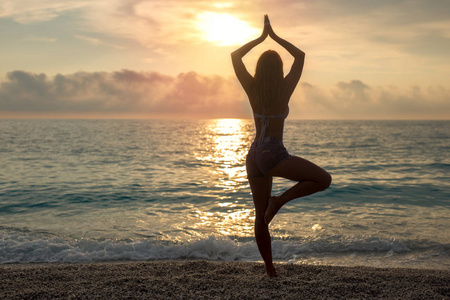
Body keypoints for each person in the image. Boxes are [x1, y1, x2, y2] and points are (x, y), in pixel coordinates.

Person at [231, 15, 332, 277]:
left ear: (259, 69)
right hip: (273, 153)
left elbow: (234, 57)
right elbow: (299, 57)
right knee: (323, 179)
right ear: (278, 69)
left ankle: (269, 269)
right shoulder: (284, 89)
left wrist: (259, 38)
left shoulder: (253, 89)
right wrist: (274, 37)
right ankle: (280, 201)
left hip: (253, 155)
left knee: (258, 215)